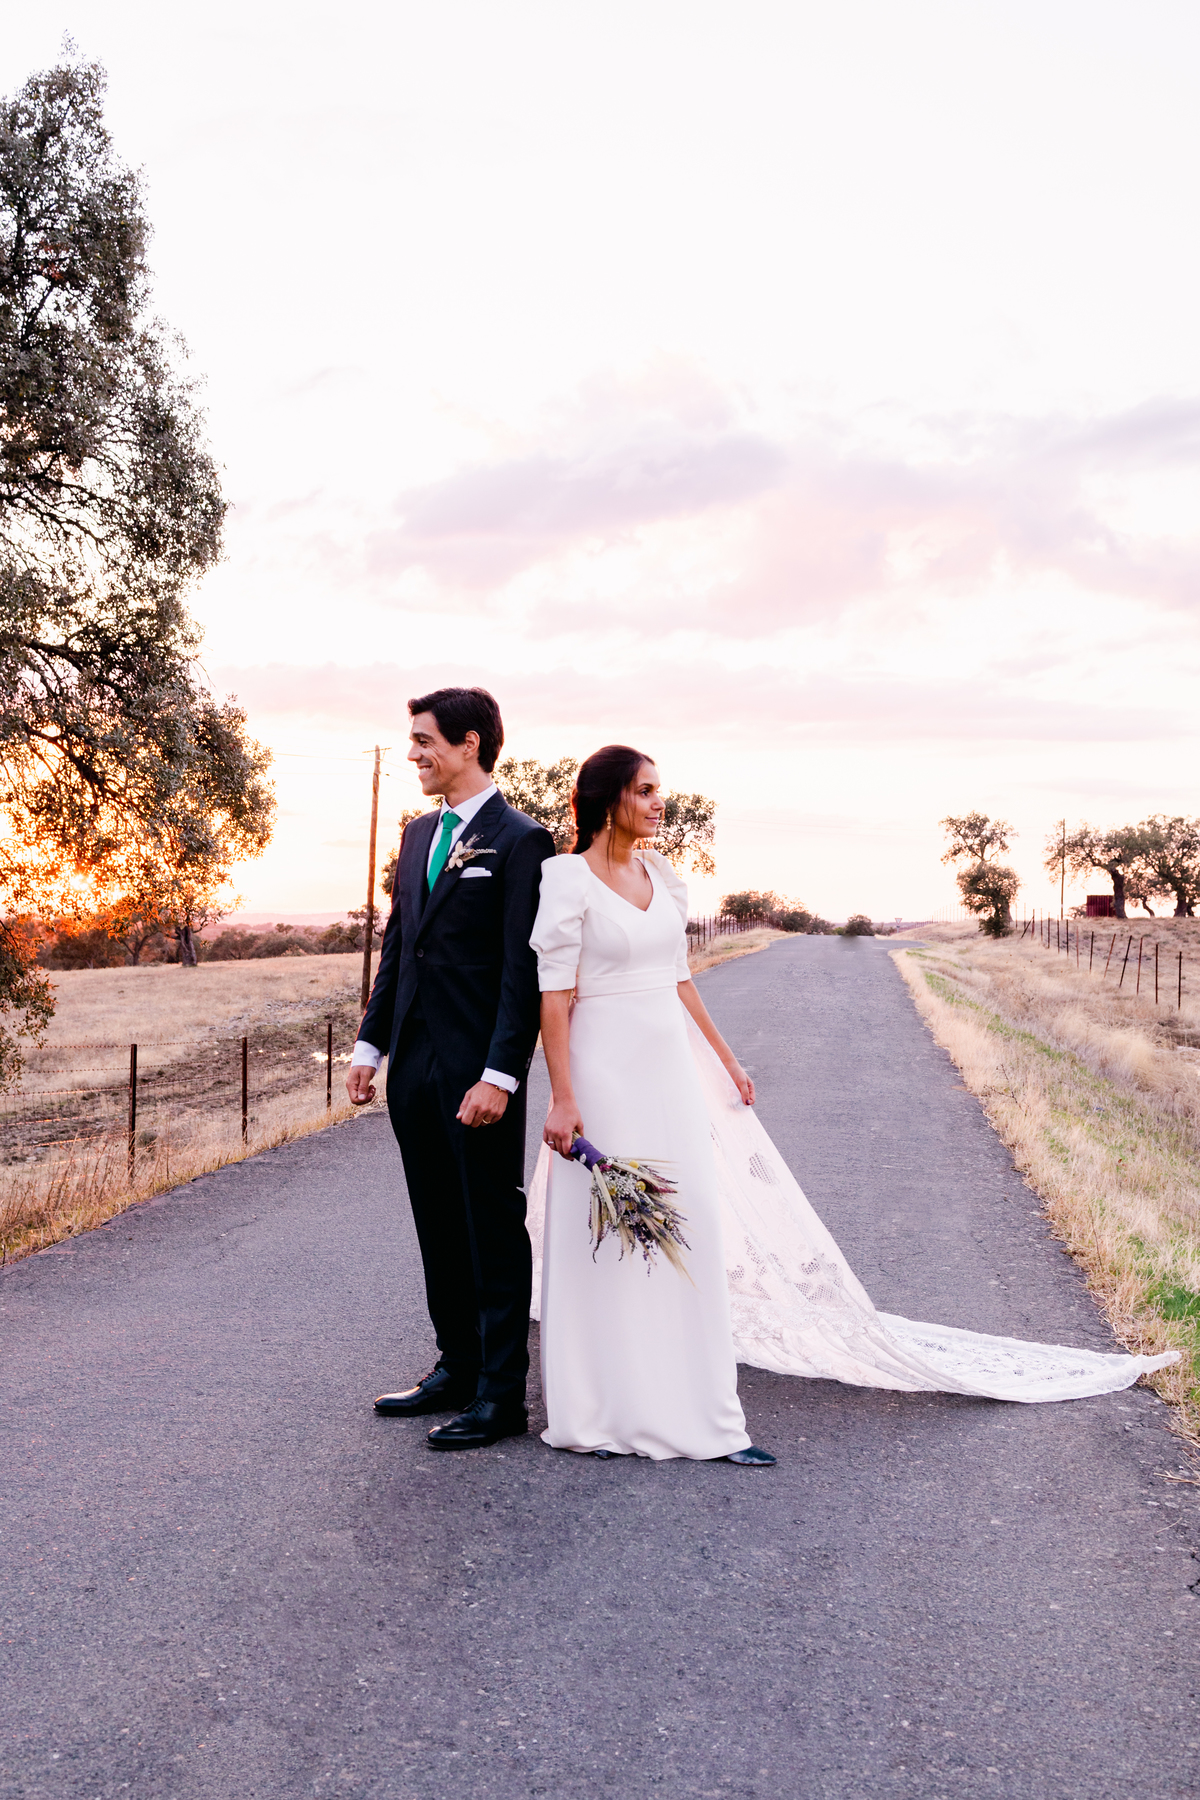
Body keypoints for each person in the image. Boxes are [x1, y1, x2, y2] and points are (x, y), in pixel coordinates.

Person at [526, 746, 1178, 1463]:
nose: (659, 804)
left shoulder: (663, 876)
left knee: (692, 1226)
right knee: (611, 1235)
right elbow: (554, 997)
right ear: (609, 797)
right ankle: (600, 1407)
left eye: (660, 791)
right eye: (646, 791)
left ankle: (701, 1414)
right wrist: (563, 1097)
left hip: (669, 1070)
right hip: (603, 1069)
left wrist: (724, 1057)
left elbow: (680, 978)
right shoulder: (567, 879)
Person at [347, 687, 555, 1451]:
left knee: (491, 1228)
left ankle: (502, 1396)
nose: (413, 755)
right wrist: (371, 1047)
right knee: (436, 1219)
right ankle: (455, 1367)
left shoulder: (521, 840)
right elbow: (400, 946)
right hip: (415, 1068)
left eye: (425, 741)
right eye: (410, 741)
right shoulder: (415, 835)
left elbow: (521, 972)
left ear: (470, 743)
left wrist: (501, 1074)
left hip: (478, 1073)